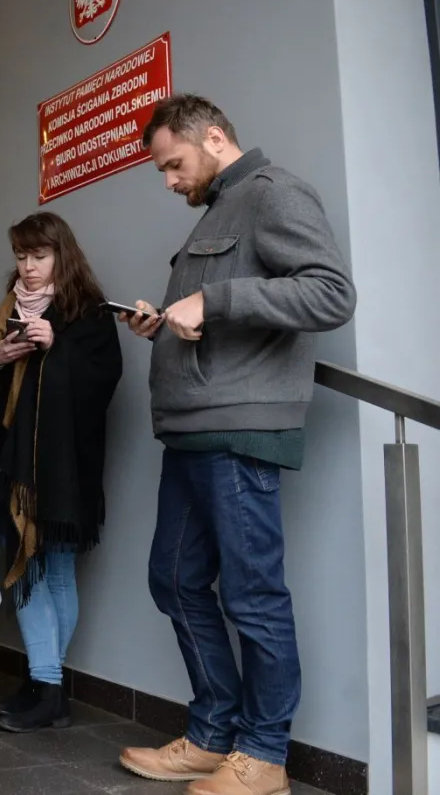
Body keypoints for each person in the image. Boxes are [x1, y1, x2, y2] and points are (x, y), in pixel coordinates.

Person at [117, 94, 355, 795]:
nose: (169, 181)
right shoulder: (218, 212)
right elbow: (211, 317)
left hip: (241, 429)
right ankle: (213, 731)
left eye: (173, 164)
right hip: (193, 430)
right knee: (175, 580)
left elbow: (330, 293)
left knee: (253, 594)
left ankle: (265, 754)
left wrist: (215, 302)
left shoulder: (273, 194)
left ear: (214, 137)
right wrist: (166, 318)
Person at [0, 212, 121, 733]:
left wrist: (58, 347)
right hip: (15, 469)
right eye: (21, 257)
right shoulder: (8, 312)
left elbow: (104, 383)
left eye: (39, 256)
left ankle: (45, 686)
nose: (28, 268)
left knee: (52, 572)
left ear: (62, 255)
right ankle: (44, 685)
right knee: (28, 570)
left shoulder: (87, 313)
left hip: (63, 467)